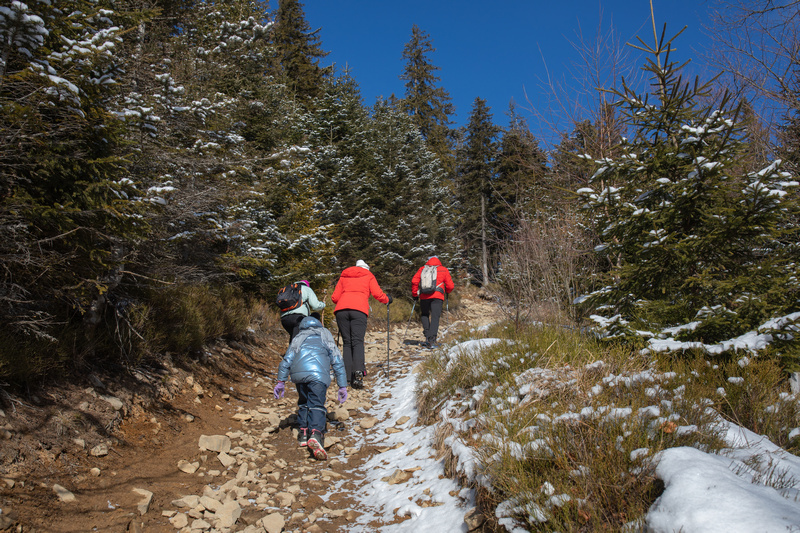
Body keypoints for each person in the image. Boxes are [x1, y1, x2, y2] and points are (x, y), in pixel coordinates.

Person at [273, 316, 347, 461]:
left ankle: (303, 432)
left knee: (304, 402)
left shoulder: (298, 337)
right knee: (317, 404)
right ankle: (316, 433)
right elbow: (337, 360)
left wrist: (281, 381)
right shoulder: (325, 334)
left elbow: (287, 360)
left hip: (299, 376)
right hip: (318, 376)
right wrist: (342, 385)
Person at [331, 259, 391, 389]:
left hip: (341, 310)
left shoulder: (344, 275)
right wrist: (387, 299)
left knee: (347, 343)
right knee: (357, 342)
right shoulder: (368, 275)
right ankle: (358, 372)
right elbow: (377, 293)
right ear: (366, 268)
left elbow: (334, 297)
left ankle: (347, 377)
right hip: (359, 310)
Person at [411, 255, 454, 348]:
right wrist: (447, 291)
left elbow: (414, 281)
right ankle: (432, 340)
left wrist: (415, 294)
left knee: (425, 314)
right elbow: (450, 286)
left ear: (428, 261)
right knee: (435, 317)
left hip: (424, 296)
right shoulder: (443, 269)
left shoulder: (422, 269)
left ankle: (427, 337)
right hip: (437, 296)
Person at [280, 280, 326, 344]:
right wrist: (323, 304)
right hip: (298, 318)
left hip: (284, 319)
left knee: (294, 338)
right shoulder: (306, 289)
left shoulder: (289, 289)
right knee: (298, 340)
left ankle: (291, 349)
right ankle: (295, 350)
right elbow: (315, 305)